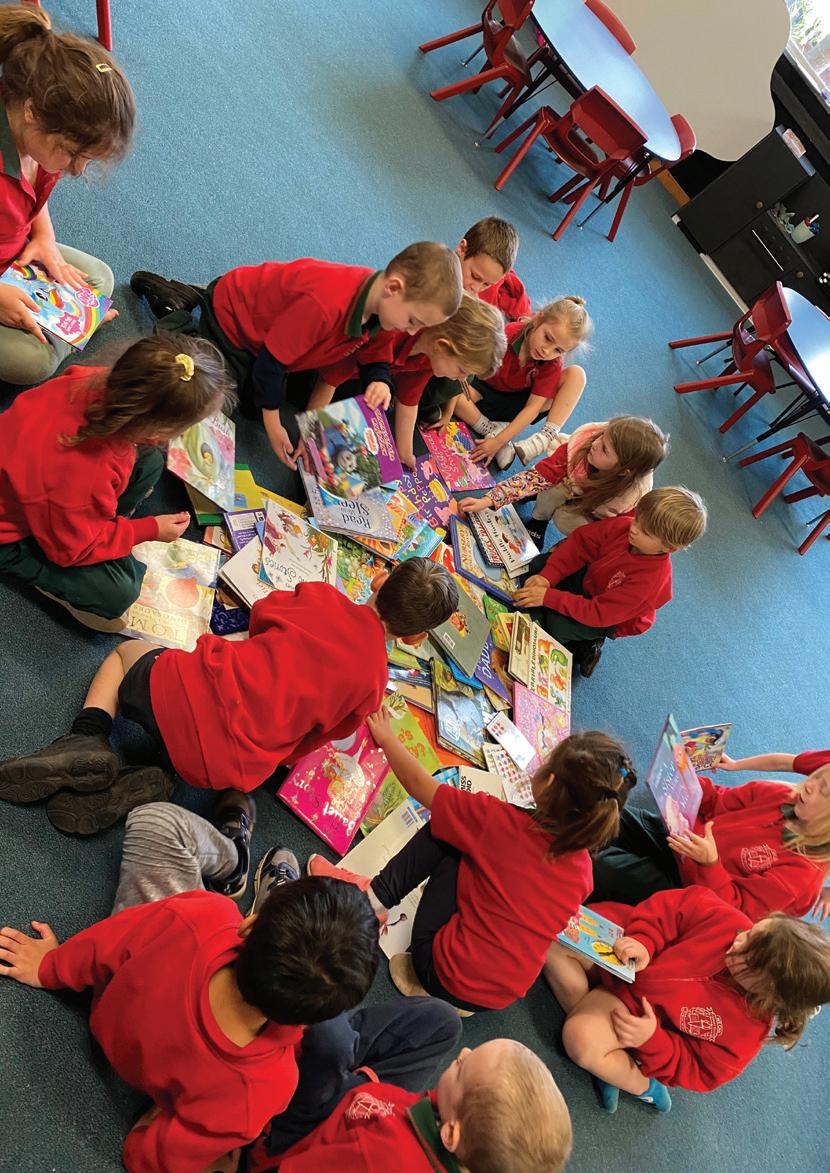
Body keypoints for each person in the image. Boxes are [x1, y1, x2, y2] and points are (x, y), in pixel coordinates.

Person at [0, 792, 381, 1173]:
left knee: (157, 823)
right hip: (166, 1078)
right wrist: (148, 1135)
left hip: (114, 1003)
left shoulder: (206, 915)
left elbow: (109, 942)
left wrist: (48, 967)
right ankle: (284, 933)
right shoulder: (266, 1089)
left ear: (247, 925)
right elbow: (153, 1158)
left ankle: (244, 872)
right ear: (305, 1022)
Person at [0, 558, 459, 833]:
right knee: (236, 744)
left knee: (123, 655)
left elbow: (261, 615)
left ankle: (87, 736)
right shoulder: (373, 685)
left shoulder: (321, 597)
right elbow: (306, 746)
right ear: (415, 638)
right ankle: (159, 778)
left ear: (379, 580)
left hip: (175, 694)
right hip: (223, 769)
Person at [311, 721, 635, 1014]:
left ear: (548, 781)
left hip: (438, 969)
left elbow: (418, 784)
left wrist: (387, 738)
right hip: (494, 1000)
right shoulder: (583, 870)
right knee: (470, 840)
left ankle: (370, 900)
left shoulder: (496, 820)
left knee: (447, 828)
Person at [130, 243, 463, 467]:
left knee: (252, 405)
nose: (411, 331)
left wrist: (379, 380)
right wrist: (274, 423)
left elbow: (376, 355)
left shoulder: (384, 308)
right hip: (234, 323)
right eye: (413, 321)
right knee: (209, 398)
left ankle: (200, 312)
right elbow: (271, 363)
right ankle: (181, 319)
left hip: (275, 344)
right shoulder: (325, 304)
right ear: (394, 287)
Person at [0, 333, 232, 630]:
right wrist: (148, 529)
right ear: (157, 432)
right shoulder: (85, 474)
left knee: (151, 461)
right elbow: (69, 552)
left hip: (44, 490)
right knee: (120, 592)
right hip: (11, 536)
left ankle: (98, 528)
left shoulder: (94, 379)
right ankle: (46, 567)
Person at [544, 885, 830, 1114]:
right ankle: (611, 1058)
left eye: (747, 956)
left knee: (580, 1039)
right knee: (552, 938)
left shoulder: (745, 1033)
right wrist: (645, 941)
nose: (738, 941)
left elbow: (697, 1070)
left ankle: (641, 1085)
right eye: (750, 933)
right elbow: (673, 908)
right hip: (625, 952)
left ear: (769, 992)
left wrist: (651, 1040)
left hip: (633, 1013)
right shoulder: (727, 922)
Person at [0, 4, 135, 385]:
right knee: (34, 362)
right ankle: (62, 335)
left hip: (12, 253)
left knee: (100, 278)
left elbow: (31, 198)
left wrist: (45, 237)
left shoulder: (38, 141)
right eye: (73, 154)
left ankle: (60, 330)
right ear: (32, 112)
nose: (76, 170)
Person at [248, 1039, 573, 1173]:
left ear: (450, 1135)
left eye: (462, 1068)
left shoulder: (378, 1158)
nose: (463, 1053)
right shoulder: (464, 1140)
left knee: (327, 1040)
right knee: (442, 1023)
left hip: (310, 1138)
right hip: (373, 1107)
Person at [590, 759, 830, 922]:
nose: (809, 785)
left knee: (603, 869)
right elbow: (718, 800)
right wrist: (688, 783)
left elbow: (733, 915)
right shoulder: (782, 795)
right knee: (607, 815)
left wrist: (710, 864)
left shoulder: (799, 880)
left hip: (692, 893)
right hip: (680, 839)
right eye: (816, 777)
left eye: (824, 791)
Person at [513, 486, 708, 678]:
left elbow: (598, 613)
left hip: (609, 616)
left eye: (645, 532)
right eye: (637, 518)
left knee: (556, 626)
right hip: (593, 579)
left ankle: (587, 647)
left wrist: (549, 597)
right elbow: (581, 544)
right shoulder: (626, 527)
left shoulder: (650, 583)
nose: (634, 528)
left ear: (669, 548)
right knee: (539, 565)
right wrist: (548, 577)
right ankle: (555, 606)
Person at [313, 293, 507, 470]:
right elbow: (329, 379)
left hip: (358, 377)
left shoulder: (430, 354)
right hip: (322, 359)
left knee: (376, 406)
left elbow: (409, 400)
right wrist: (310, 438)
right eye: (462, 371)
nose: (463, 379)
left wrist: (405, 453)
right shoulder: (393, 328)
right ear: (442, 346)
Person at [459, 416, 668, 547]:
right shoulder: (578, 450)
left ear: (624, 471)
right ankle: (539, 519)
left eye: (605, 449)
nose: (595, 444)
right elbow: (534, 478)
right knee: (552, 487)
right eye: (601, 437)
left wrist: (563, 550)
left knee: (572, 521)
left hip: (592, 503)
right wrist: (488, 500)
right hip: (568, 480)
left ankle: (544, 503)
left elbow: (605, 533)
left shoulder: (630, 498)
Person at [416, 215, 532, 431]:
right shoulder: (433, 277)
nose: (476, 288)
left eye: (487, 284)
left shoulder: (476, 295)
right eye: (475, 276)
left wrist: (449, 409)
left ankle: (429, 400)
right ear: (462, 248)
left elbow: (463, 368)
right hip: (415, 355)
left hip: (437, 366)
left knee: (469, 367)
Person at [451, 296, 591, 470]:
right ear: (538, 319)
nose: (547, 351)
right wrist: (497, 440)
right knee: (453, 394)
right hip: (483, 391)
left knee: (576, 375)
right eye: (547, 338)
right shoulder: (508, 333)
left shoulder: (552, 363)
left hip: (520, 406)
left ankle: (544, 437)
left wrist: (497, 442)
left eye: (558, 350)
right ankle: (490, 428)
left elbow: (533, 408)